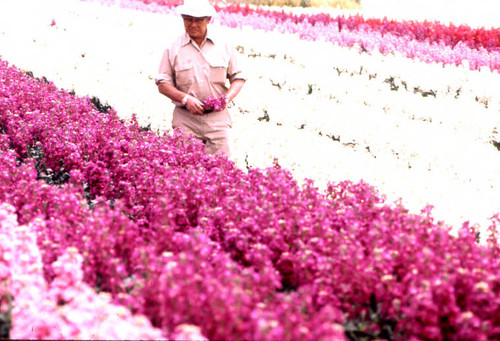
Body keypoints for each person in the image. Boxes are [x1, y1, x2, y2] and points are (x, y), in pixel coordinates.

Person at [155, 0, 246, 156]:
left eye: (198, 20)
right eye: (188, 19)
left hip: (217, 119)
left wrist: (226, 99)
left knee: (222, 169)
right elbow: (162, 83)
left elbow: (238, 77)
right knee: (185, 167)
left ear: (208, 20)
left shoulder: (223, 45)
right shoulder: (173, 47)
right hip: (185, 119)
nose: (193, 24)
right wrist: (185, 99)